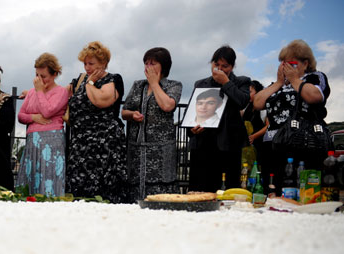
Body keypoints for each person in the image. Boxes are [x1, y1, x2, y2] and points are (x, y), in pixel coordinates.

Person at [253, 39, 331, 195]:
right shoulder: (277, 84)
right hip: (274, 146)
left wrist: (295, 80)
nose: (286, 67)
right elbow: (257, 102)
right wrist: (279, 83)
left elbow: (314, 96)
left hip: (303, 145)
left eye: (291, 63)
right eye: (283, 63)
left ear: (305, 63)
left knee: (301, 192)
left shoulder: (315, 78)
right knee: (273, 192)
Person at [66, 41, 127, 203]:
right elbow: (58, 94)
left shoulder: (113, 79)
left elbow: (101, 100)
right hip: (80, 145)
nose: (87, 68)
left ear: (104, 63)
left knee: (105, 194)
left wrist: (90, 83)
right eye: (85, 63)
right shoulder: (78, 80)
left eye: (91, 63)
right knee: (79, 193)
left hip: (104, 145)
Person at [122, 47, 182, 200]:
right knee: (135, 190)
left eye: (153, 63)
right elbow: (124, 112)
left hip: (161, 150)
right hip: (136, 149)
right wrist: (132, 114)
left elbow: (167, 106)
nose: (148, 67)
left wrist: (155, 84)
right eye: (146, 63)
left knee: (160, 195)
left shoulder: (173, 85)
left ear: (164, 66)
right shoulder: (137, 85)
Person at [188, 46, 250, 192]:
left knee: (228, 190)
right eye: (216, 65)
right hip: (203, 143)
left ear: (232, 66)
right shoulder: (200, 84)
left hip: (228, 145)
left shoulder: (242, 81)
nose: (219, 69)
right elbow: (192, 113)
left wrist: (226, 82)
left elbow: (242, 101)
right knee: (200, 189)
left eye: (225, 66)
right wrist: (192, 128)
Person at [17, 53, 69, 196]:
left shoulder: (61, 92)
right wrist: (33, 117)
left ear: (55, 74)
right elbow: (21, 116)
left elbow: (47, 111)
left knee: (49, 180)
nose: (39, 80)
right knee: (31, 182)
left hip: (51, 142)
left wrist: (39, 91)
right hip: (32, 142)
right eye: (37, 75)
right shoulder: (32, 92)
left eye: (43, 76)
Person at [242, 80, 269, 181]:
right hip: (247, 148)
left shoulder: (263, 107)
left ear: (258, 93)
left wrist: (254, 136)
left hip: (260, 145)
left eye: (250, 92)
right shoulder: (246, 107)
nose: (247, 94)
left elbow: (268, 126)